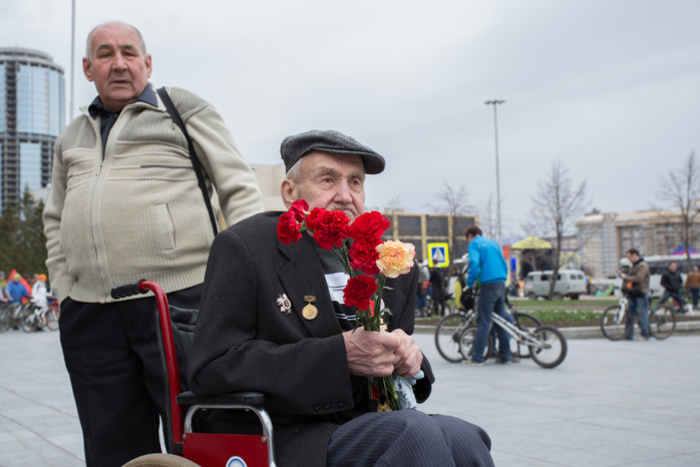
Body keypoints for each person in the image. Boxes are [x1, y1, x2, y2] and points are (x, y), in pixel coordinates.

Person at [188, 129, 494, 467]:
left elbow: (394, 357)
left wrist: (412, 361)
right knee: (412, 432)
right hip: (286, 430)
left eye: (356, 182)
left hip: (368, 420)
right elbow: (212, 367)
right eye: (328, 180)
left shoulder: (386, 261)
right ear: (290, 192)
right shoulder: (247, 247)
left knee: (466, 436)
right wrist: (339, 355)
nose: (345, 196)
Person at [42, 21, 264, 466]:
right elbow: (54, 217)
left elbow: (239, 189)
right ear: (88, 68)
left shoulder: (182, 109)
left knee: (205, 434)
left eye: (128, 52)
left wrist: (245, 281)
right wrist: (66, 290)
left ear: (147, 63)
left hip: (182, 302)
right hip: (91, 313)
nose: (118, 63)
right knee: (112, 448)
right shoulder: (71, 135)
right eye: (105, 54)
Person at [463, 226, 511, 366]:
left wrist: (470, 283)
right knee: (500, 320)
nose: (468, 242)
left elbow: (475, 265)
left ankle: (477, 358)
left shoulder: (474, 244)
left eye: (468, 239)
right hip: (500, 283)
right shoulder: (493, 244)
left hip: (488, 285)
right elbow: (504, 264)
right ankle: (505, 356)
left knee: (484, 321)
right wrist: (501, 279)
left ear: (471, 235)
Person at [618, 248, 650, 341]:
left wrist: (626, 277)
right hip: (633, 292)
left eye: (629, 256)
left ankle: (644, 335)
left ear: (635, 255)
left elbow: (639, 278)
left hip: (641, 292)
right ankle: (628, 335)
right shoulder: (633, 266)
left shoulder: (643, 265)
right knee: (629, 314)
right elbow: (630, 277)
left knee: (642, 314)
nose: (628, 259)